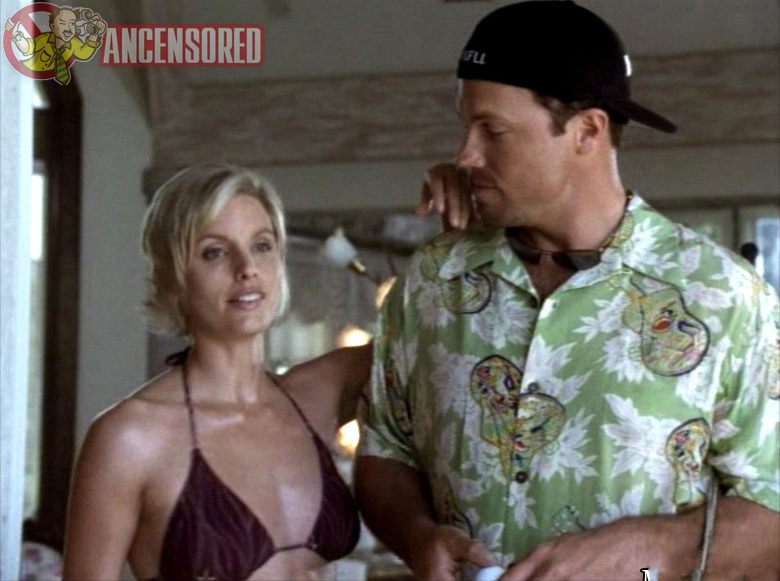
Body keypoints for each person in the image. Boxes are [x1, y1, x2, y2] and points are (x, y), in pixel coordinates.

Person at [355, 2, 780, 580]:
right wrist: (417, 535)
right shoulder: (432, 280)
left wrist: (661, 547)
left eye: (493, 132)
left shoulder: (724, 296)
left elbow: (772, 504)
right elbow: (384, 450)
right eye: (466, 127)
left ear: (587, 131)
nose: (465, 156)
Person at [62, 165, 368, 581]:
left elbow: (439, 339)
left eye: (262, 245)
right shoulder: (129, 438)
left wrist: (456, 197)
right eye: (214, 252)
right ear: (174, 279)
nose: (247, 267)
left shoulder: (322, 392)